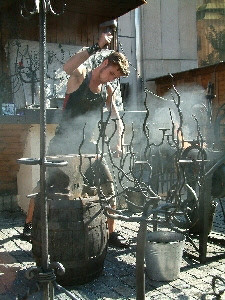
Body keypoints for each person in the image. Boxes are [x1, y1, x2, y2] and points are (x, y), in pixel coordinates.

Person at [22, 32, 130, 248]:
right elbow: (67, 67)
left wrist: (120, 141)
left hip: (88, 148)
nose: (111, 78)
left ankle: (111, 234)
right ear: (105, 63)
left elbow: (118, 120)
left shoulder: (107, 90)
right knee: (44, 187)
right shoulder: (80, 76)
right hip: (63, 143)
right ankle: (28, 225)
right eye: (111, 72)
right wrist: (95, 47)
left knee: (108, 187)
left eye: (115, 77)